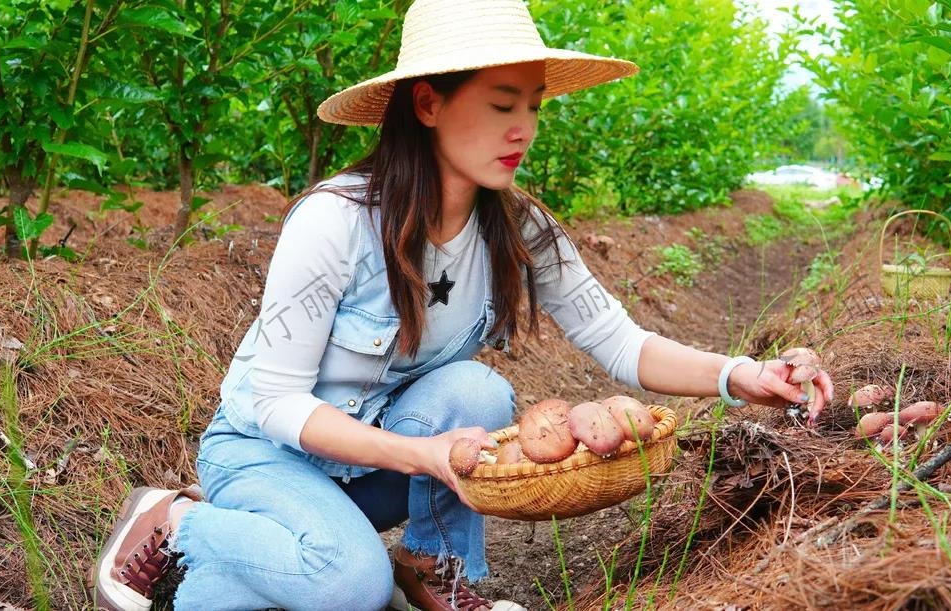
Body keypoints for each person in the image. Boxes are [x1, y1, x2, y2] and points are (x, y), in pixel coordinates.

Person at [88, 1, 835, 610]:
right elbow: (277, 402)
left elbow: (621, 341)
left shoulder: (516, 228)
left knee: (475, 390)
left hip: (370, 467)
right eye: (503, 103)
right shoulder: (336, 221)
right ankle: (177, 519)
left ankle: (429, 567)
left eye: (534, 106)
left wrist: (744, 373)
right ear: (428, 102)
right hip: (265, 454)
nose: (526, 129)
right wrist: (423, 455)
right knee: (349, 584)